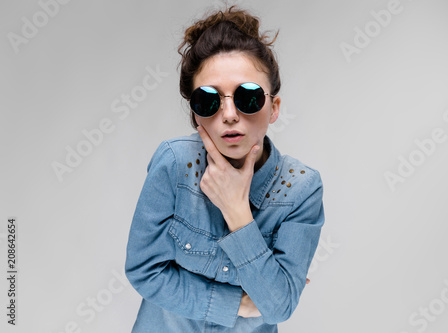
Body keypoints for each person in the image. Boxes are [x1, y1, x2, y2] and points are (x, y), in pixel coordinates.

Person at [125, 5, 325, 332]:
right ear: (195, 114)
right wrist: (237, 303)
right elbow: (144, 270)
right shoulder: (175, 165)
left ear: (273, 107)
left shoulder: (300, 189)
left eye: (247, 97)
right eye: (209, 100)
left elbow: (279, 306)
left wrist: (237, 212)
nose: (229, 114)